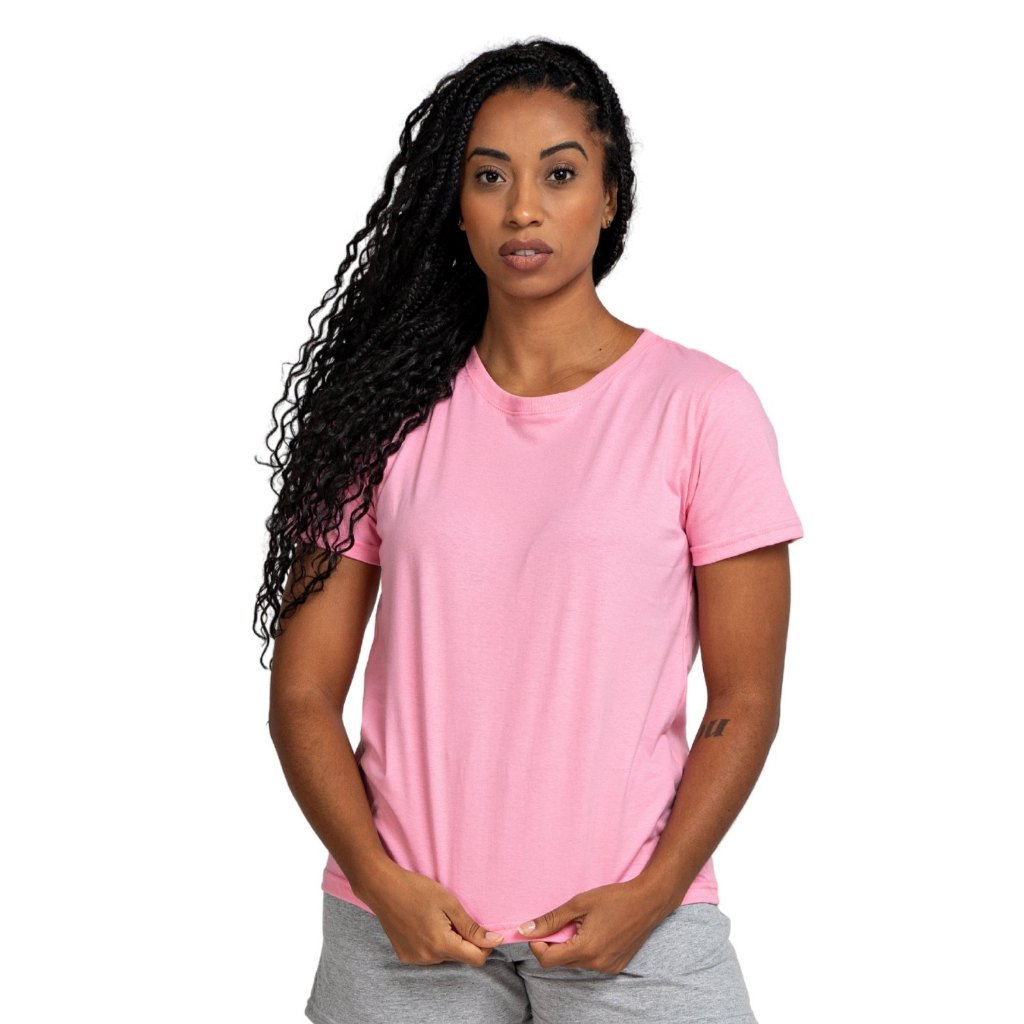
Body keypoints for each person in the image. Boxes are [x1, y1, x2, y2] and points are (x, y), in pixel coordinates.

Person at [254, 36, 803, 1024]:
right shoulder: (381, 416)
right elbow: (301, 694)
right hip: (400, 936)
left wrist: (653, 894)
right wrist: (379, 881)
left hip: (638, 931)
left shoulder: (702, 408)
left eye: (558, 174)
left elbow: (745, 695)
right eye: (488, 177)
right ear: (454, 205)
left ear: (611, 196)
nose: (521, 210)